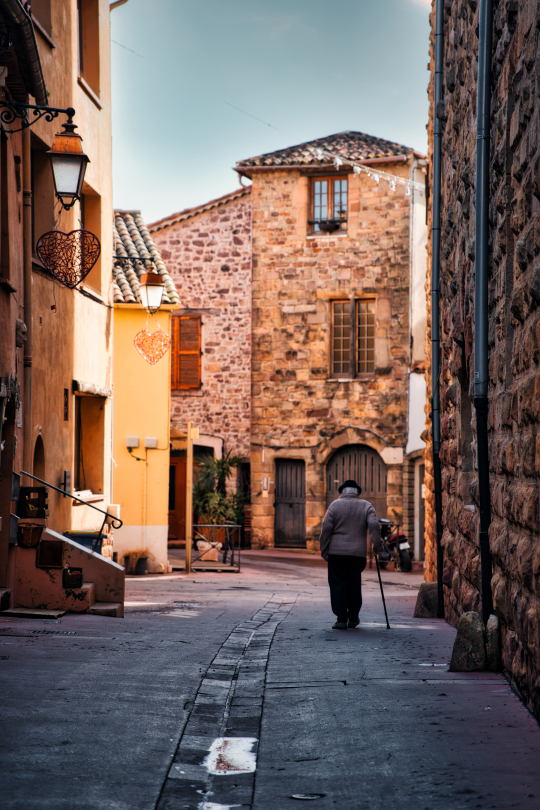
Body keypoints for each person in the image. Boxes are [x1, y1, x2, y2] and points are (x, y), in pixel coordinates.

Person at [319, 479, 383, 629]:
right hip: (357, 554)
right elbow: (374, 525)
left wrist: (324, 550)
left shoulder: (334, 505)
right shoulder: (366, 506)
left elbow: (326, 529)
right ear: (357, 493)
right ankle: (353, 617)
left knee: (337, 585)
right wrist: (377, 546)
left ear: (342, 492)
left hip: (336, 553)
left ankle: (341, 619)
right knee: (354, 584)